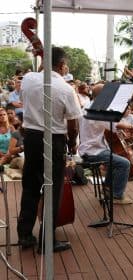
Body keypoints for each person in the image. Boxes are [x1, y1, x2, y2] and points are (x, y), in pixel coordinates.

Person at [17, 47, 81, 252]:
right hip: (54, 141)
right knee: (52, 190)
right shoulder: (65, 88)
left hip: (32, 138)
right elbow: (72, 123)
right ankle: (47, 241)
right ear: (62, 66)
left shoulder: (27, 79)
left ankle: (25, 235)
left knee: (30, 187)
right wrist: (72, 143)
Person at [78, 84, 132, 205]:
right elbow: (114, 125)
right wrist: (130, 126)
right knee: (124, 163)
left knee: (115, 160)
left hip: (88, 148)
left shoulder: (88, 106)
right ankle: (117, 196)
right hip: (93, 151)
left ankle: (107, 189)